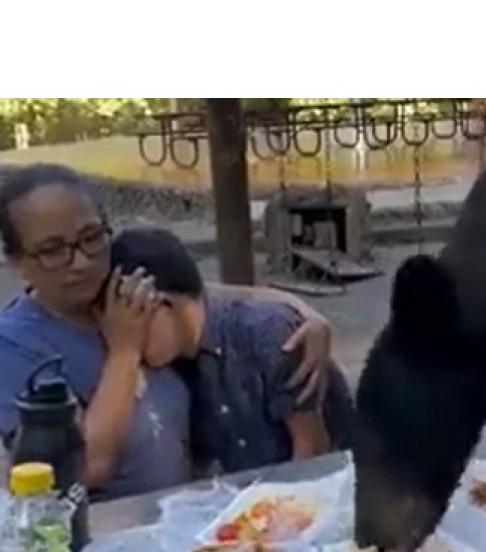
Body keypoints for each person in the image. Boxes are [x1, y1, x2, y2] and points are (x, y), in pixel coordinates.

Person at [0, 164, 335, 499]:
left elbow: (198, 295)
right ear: (17, 262)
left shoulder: (118, 287)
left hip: (187, 521)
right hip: (104, 532)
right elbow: (88, 466)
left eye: (90, 238)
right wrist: (124, 353)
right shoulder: (17, 346)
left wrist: (303, 314)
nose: (81, 262)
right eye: (53, 251)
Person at [109, 227, 357, 473]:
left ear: (161, 303)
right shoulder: (173, 365)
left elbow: (311, 452)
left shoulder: (266, 335)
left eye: (135, 322)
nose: (130, 339)